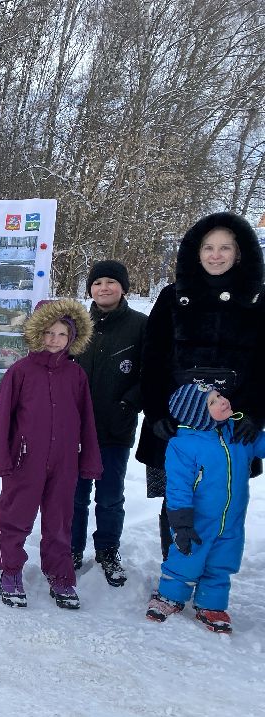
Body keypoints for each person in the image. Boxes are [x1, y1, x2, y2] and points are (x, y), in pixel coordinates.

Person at [136, 213, 265, 560]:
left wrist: (255, 414)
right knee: (177, 499)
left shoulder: (258, 300)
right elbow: (153, 360)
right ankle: (177, 571)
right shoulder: (171, 297)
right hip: (177, 423)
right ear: (196, 252)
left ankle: (209, 575)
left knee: (221, 501)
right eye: (208, 247)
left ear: (239, 252)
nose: (216, 255)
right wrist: (156, 413)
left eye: (225, 247)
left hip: (233, 424)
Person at [0, 299, 102, 610]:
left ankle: (60, 575)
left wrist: (89, 460)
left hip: (64, 462)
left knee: (60, 521)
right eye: (49, 332)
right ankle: (10, 570)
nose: (54, 339)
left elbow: (87, 421)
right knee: (15, 517)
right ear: (37, 333)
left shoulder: (76, 375)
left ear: (72, 338)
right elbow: (2, 419)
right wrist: (1, 459)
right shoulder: (20, 371)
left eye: (62, 334)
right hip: (25, 460)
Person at [146, 384, 265, 633]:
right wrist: (181, 522)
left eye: (219, 395)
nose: (222, 400)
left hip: (231, 519)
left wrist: (254, 427)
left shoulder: (238, 433)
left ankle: (211, 604)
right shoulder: (183, 445)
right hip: (197, 520)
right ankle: (170, 596)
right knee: (186, 558)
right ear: (198, 415)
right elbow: (178, 487)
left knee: (222, 563)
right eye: (213, 401)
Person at [70, 260, 147, 586]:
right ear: (90, 289)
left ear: (123, 288)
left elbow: (151, 373)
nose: (104, 288)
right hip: (75, 427)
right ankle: (71, 549)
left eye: (111, 282)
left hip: (116, 427)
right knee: (74, 494)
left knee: (110, 496)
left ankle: (107, 550)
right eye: (97, 282)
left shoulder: (140, 325)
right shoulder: (75, 324)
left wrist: (129, 403)